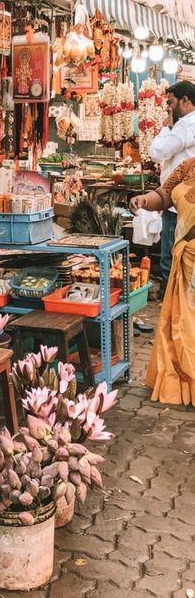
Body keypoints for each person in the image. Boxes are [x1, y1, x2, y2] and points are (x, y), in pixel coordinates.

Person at [130, 157, 195, 406]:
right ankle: (182, 381)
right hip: (186, 258)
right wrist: (145, 201)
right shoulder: (188, 166)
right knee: (183, 323)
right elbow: (165, 194)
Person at [149, 81, 195, 289]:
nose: (169, 107)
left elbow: (157, 152)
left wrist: (167, 127)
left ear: (186, 100)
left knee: (171, 255)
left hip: (177, 204)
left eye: (171, 102)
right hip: (186, 202)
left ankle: (173, 304)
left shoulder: (185, 126)